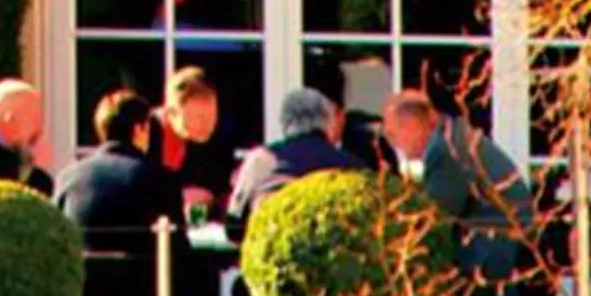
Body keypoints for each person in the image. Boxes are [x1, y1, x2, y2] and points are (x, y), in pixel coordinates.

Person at [381, 90, 537, 296]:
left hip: (489, 260)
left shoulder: (446, 152)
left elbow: (434, 216)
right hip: (505, 249)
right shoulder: (454, 138)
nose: (395, 145)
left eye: (394, 135)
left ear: (413, 126)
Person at [225, 88, 363, 245]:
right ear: (328, 123)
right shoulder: (352, 168)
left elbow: (234, 227)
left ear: (285, 122)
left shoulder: (260, 160)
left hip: (271, 260)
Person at [55, 91, 172, 232]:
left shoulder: (67, 178)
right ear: (139, 129)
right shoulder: (159, 179)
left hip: (82, 254)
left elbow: (55, 236)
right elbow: (178, 245)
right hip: (140, 254)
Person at [152, 68, 234, 221]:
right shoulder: (145, 134)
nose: (208, 124)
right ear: (172, 113)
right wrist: (177, 195)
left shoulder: (216, 138)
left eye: (212, 115)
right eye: (199, 117)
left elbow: (221, 188)